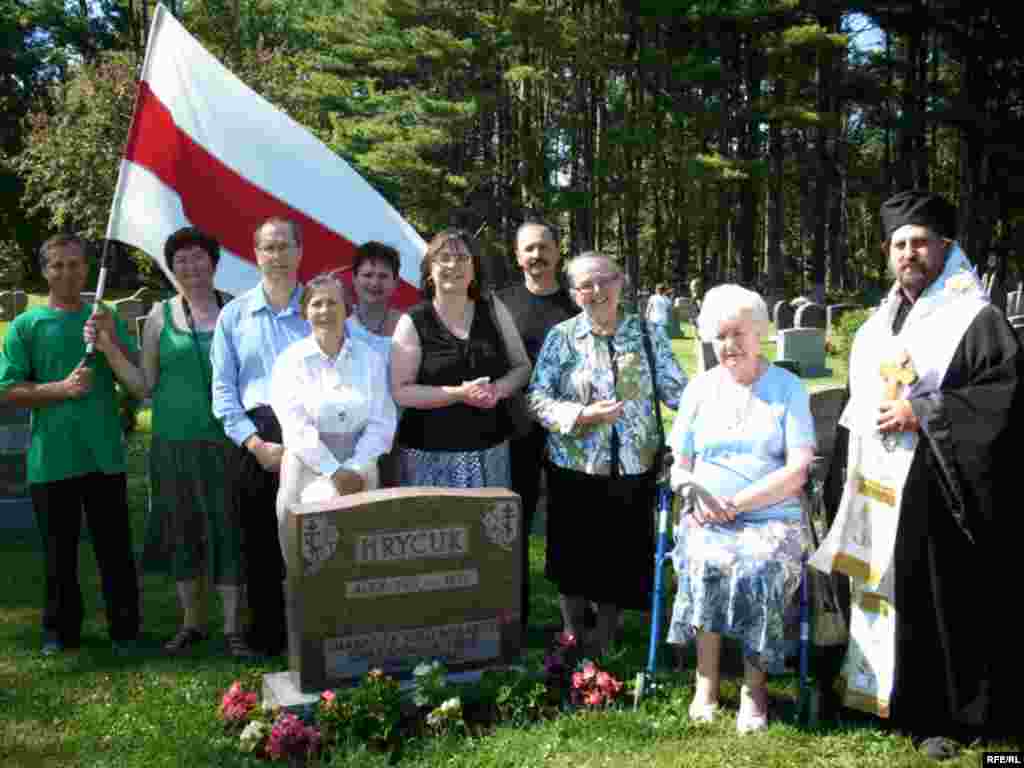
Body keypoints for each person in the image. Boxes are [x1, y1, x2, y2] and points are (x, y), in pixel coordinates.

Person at [813, 191, 1021, 759]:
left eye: (921, 242)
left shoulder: (976, 319)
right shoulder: (876, 323)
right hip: (873, 483)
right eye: (900, 244)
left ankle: (940, 715)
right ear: (888, 252)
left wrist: (923, 413)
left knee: (935, 598)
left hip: (938, 491)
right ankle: (877, 697)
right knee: (876, 587)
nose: (910, 253)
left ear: (945, 248)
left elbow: (1002, 399)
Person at [664, 284, 815, 734]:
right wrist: (692, 490)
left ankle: (755, 687)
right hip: (707, 514)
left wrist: (738, 503)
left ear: (760, 334)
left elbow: (799, 469)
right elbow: (680, 465)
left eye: (739, 334)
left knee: (761, 568)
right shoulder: (699, 390)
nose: (729, 345)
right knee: (706, 562)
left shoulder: (787, 387)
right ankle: (705, 681)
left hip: (772, 516)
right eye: (721, 335)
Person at [527, 252, 686, 656]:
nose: (597, 291)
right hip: (573, 468)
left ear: (621, 282)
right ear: (573, 292)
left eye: (605, 280)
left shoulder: (649, 335)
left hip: (633, 466)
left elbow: (678, 392)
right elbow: (537, 399)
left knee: (619, 558)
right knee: (572, 558)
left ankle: (606, 638)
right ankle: (572, 633)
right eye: (586, 285)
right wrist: (580, 415)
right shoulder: (561, 338)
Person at [0, 235, 145, 655]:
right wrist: (60, 389)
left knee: (115, 550)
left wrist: (108, 343)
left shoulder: (105, 317)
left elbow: (133, 376)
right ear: (44, 270)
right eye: (58, 265)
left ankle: (126, 630)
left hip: (103, 453)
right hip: (52, 457)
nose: (67, 273)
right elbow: (9, 389)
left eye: (75, 265)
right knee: (58, 555)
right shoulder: (28, 325)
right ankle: (60, 631)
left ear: (87, 269)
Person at [140, 227, 256, 658]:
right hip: (173, 443)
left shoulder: (238, 311)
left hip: (228, 442)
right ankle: (191, 622)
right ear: (172, 268)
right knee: (182, 528)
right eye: (181, 260)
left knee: (229, 527)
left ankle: (232, 628)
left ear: (213, 261)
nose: (190, 267)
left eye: (198, 257)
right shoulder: (158, 317)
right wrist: (111, 348)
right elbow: (144, 384)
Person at [211, 217, 310, 657]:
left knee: (314, 538)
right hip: (256, 440)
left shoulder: (319, 308)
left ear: (299, 252)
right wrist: (256, 444)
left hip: (313, 436)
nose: (276, 256)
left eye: (284, 246)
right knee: (259, 541)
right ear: (255, 255)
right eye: (268, 248)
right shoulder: (234, 315)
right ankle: (268, 636)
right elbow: (222, 391)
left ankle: (318, 633)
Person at [390, 229, 531, 490]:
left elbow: (522, 367)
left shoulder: (494, 309)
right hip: (428, 457)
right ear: (429, 269)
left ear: (474, 267)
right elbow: (401, 392)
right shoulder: (413, 321)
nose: (453, 265)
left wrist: (497, 390)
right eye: (444, 258)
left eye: (463, 258)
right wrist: (458, 394)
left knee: (490, 530)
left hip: (491, 452)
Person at [272, 273, 397, 550]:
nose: (325, 311)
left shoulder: (370, 359)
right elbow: (295, 427)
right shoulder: (289, 362)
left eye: (333, 303)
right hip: (305, 468)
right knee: (307, 553)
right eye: (317, 304)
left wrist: (354, 469)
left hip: (361, 468)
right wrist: (334, 472)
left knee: (358, 551)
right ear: (305, 312)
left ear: (347, 309)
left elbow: (382, 421)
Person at [496, 220, 579, 632]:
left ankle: (574, 622)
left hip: (569, 434)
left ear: (558, 252)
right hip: (515, 432)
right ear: (517, 255)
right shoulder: (501, 304)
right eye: (528, 249)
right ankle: (514, 614)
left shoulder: (576, 304)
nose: (537, 256)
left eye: (544, 247)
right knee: (513, 524)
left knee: (569, 526)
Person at [346, 241, 404, 357]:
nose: (374, 283)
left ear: (395, 282)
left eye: (383, 276)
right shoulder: (340, 321)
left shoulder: (406, 326)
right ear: (354, 278)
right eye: (368, 275)